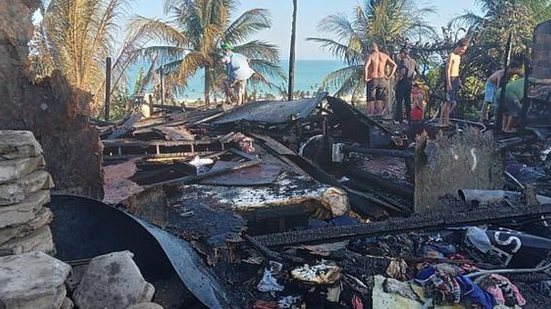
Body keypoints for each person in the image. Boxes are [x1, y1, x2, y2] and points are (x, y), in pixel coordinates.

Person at [439, 38, 469, 127]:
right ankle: (441, 121)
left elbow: (457, 71)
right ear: (459, 46)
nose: (463, 51)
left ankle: (447, 120)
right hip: (450, 79)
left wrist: (459, 83)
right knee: (447, 101)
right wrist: (448, 83)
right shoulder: (451, 55)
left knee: (451, 101)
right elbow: (447, 70)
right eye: (463, 49)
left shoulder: (458, 57)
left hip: (455, 79)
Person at [363, 43, 397, 115]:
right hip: (382, 79)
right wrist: (390, 75)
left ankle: (371, 116)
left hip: (373, 79)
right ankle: (379, 116)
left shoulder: (371, 56)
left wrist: (365, 78)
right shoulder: (384, 56)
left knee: (371, 99)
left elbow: (365, 67)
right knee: (380, 99)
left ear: (371, 48)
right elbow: (394, 65)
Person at [394, 49, 419, 123]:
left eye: (400, 54)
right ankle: (408, 118)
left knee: (399, 101)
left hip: (403, 82)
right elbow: (418, 72)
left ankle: (399, 119)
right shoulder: (413, 61)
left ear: (403, 54)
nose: (400, 55)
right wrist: (413, 79)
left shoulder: (403, 60)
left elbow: (403, 71)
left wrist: (398, 80)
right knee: (408, 101)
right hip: (409, 82)